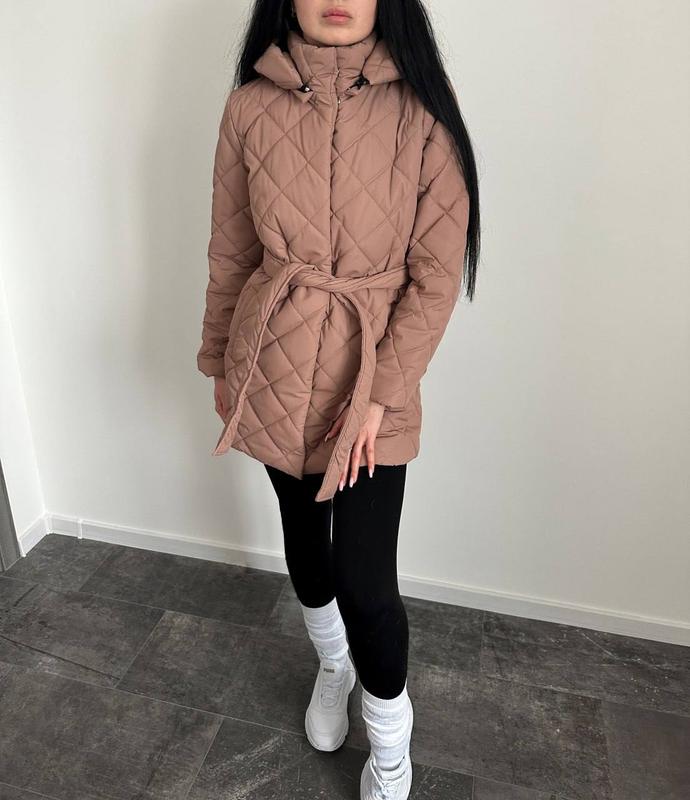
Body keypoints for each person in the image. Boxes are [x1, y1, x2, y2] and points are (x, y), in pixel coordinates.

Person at [196, 1, 480, 798]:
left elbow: (435, 278)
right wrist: (220, 361)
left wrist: (380, 398)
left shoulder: (423, 109)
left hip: (371, 379)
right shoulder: (249, 106)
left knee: (365, 580)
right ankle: (333, 664)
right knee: (305, 546)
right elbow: (231, 251)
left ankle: (389, 744)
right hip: (274, 362)